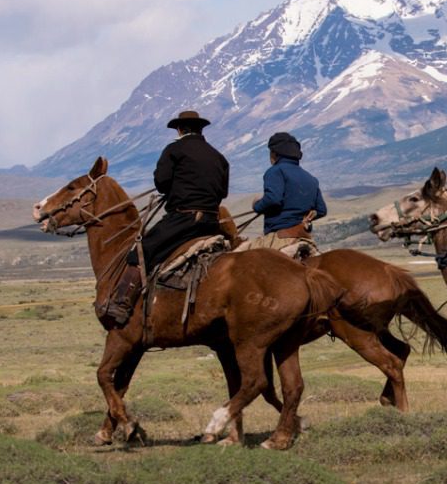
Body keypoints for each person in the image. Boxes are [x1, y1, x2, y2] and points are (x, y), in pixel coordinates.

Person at [101, 110, 229, 327]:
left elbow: (161, 182)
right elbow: (223, 193)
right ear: (200, 129)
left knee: (141, 251)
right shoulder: (219, 157)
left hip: (183, 219)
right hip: (211, 221)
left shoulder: (174, 150)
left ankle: (121, 304)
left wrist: (177, 189)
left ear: (180, 129)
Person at [248, 132, 327, 251]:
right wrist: (308, 217)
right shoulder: (311, 178)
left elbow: (273, 199)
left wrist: (257, 206)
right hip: (305, 237)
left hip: (280, 237)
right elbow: (321, 210)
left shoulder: (275, 171)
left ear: (274, 153)